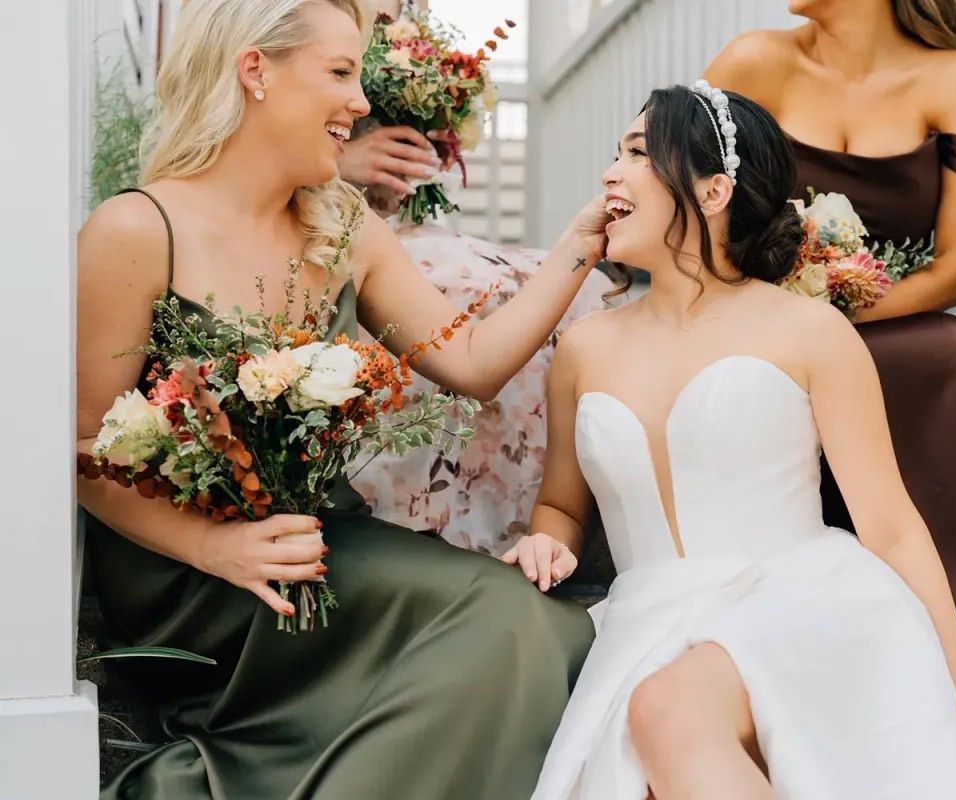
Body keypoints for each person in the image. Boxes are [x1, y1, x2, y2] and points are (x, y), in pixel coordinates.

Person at [514, 84, 956, 799]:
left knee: (666, 710)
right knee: (653, 744)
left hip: (805, 600)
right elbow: (561, 506)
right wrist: (547, 539)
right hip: (647, 622)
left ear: (714, 191)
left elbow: (894, 528)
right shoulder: (586, 347)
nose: (609, 174)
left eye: (635, 155)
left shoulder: (809, 332)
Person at [77, 1, 601, 796]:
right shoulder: (137, 229)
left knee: (533, 621)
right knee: (506, 621)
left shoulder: (342, 224)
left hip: (320, 543)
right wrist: (216, 548)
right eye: (341, 72)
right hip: (190, 576)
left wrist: (583, 241)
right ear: (256, 70)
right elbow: (84, 451)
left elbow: (471, 360)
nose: (361, 103)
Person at [704, 0, 956, 639]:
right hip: (763, 318)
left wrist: (838, 308)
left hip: (892, 312)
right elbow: (695, 212)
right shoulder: (753, 62)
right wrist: (786, 311)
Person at [339, 0, 617, 554]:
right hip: (336, 223)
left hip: (400, 226)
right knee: (473, 292)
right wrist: (344, 162)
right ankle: (442, 520)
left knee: (572, 290)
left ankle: (550, 514)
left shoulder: (413, 33)